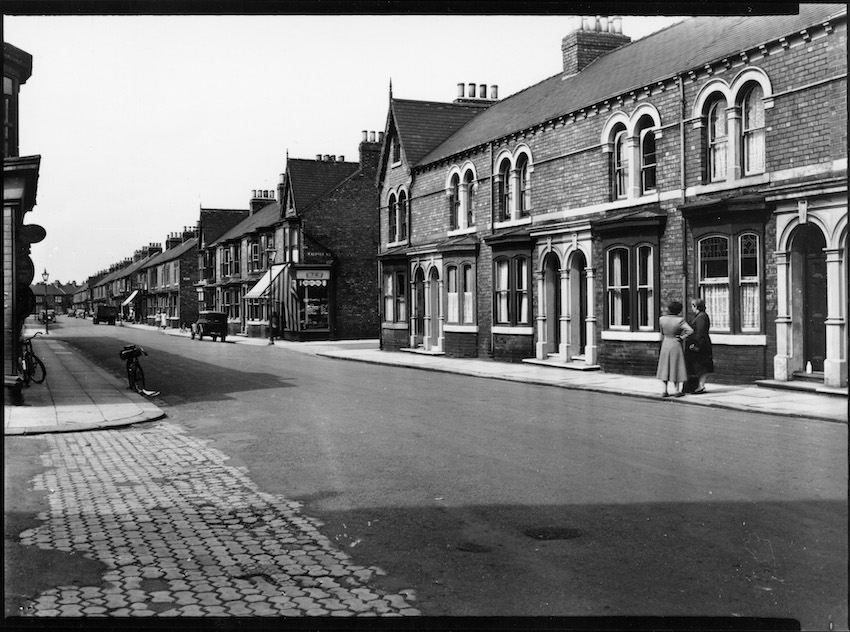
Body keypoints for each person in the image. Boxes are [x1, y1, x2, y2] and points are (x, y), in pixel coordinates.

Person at [656, 300, 693, 398]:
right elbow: (690, 330)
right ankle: (677, 391)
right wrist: (682, 337)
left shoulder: (662, 319)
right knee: (676, 366)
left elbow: (661, 333)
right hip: (675, 344)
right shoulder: (680, 320)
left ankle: (664, 391)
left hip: (666, 343)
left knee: (665, 367)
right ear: (679, 310)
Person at [686, 298, 714, 394]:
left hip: (701, 345)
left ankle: (701, 386)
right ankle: (699, 386)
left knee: (702, 366)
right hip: (701, 344)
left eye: (692, 305)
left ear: (695, 306)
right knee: (699, 366)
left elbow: (701, 332)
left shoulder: (702, 317)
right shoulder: (700, 316)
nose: (691, 308)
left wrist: (696, 345)